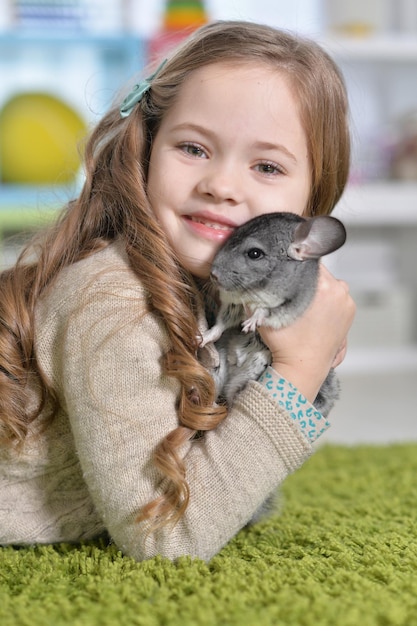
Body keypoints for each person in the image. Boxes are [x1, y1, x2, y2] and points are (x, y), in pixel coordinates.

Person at [0, 20, 355, 561]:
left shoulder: (219, 296)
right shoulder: (110, 302)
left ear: (310, 206)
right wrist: (299, 372)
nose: (222, 185)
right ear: (147, 152)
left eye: (266, 165)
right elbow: (165, 538)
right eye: (193, 148)